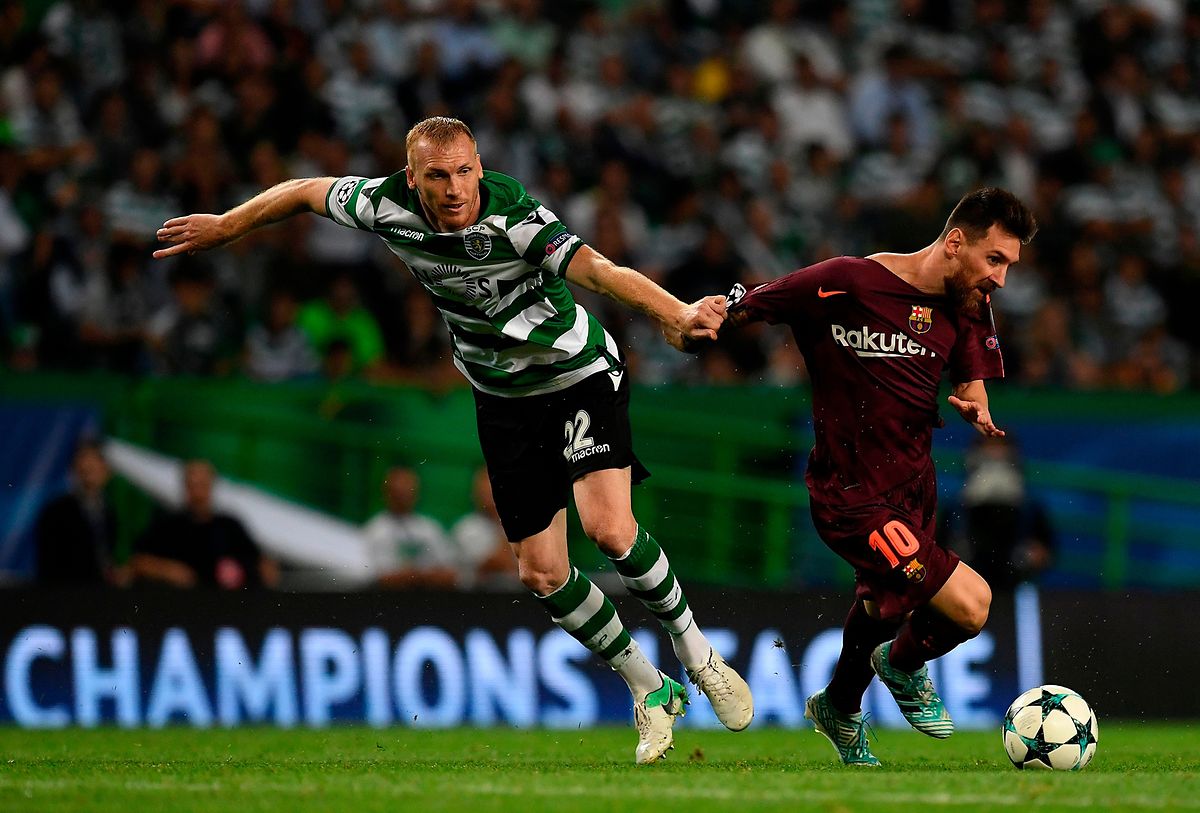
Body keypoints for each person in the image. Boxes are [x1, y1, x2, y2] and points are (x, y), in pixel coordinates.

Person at [153, 116, 752, 763]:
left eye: (466, 170)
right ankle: (649, 686)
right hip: (503, 400)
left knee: (608, 528)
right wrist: (224, 226)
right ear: (414, 178)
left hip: (577, 374)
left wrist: (677, 313)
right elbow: (302, 190)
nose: (456, 187)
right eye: (438, 175)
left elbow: (602, 271)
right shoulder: (386, 205)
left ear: (479, 165)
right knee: (542, 571)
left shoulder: (515, 215)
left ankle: (698, 653)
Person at [687, 187, 1036, 766]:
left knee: (884, 610)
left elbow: (973, 367)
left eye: (1009, 265)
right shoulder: (848, 282)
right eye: (995, 260)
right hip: (849, 496)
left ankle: (840, 706)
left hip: (912, 488)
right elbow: (754, 301)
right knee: (972, 606)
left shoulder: (969, 303)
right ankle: (902, 666)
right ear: (955, 243)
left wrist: (974, 398)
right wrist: (700, 317)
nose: (1000, 278)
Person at [130, 459, 279, 590]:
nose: (198, 492)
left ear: (212, 485)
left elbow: (262, 563)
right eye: (192, 485)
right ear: (185, 486)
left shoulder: (230, 525)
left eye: (202, 484)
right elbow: (138, 561)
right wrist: (167, 570)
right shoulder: (168, 526)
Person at [941, 434, 1055, 591]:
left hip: (1015, 585)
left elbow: (1047, 552)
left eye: (1001, 457)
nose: (995, 466)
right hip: (969, 586)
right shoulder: (956, 510)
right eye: (988, 457)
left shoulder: (1030, 509)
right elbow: (938, 551)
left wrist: (1034, 555)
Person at [34, 438, 127, 586]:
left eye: (96, 464)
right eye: (84, 466)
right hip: (67, 593)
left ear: (107, 471)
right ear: (75, 469)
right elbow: (50, 565)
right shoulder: (56, 512)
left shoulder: (108, 512)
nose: (89, 469)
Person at [363, 466, 458, 590]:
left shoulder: (429, 528)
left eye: (408, 488)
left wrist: (418, 575)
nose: (403, 494)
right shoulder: (374, 529)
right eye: (398, 490)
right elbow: (371, 576)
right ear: (386, 492)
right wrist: (413, 576)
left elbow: (451, 574)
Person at [450, 466, 521, 590]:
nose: (490, 492)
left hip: (522, 596)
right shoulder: (466, 528)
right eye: (485, 487)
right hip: (480, 596)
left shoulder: (522, 521)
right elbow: (494, 564)